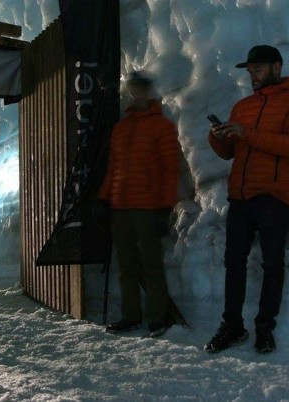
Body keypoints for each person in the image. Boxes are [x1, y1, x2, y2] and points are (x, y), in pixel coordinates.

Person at [204, 45, 289, 354]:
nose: (252, 75)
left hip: (273, 196)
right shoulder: (243, 107)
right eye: (250, 71)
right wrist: (218, 136)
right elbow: (230, 153)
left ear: (276, 67)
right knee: (234, 264)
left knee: (272, 265)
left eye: (258, 69)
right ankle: (232, 326)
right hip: (240, 197)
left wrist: (248, 132)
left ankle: (265, 328)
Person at [97, 71, 181, 338]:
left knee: (152, 264)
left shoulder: (162, 127)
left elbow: (170, 169)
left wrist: (165, 206)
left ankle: (157, 317)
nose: (136, 94)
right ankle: (130, 315)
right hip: (120, 206)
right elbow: (115, 167)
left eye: (140, 89)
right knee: (126, 265)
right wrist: (104, 197)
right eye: (132, 90)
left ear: (148, 91)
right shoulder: (122, 128)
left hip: (148, 206)